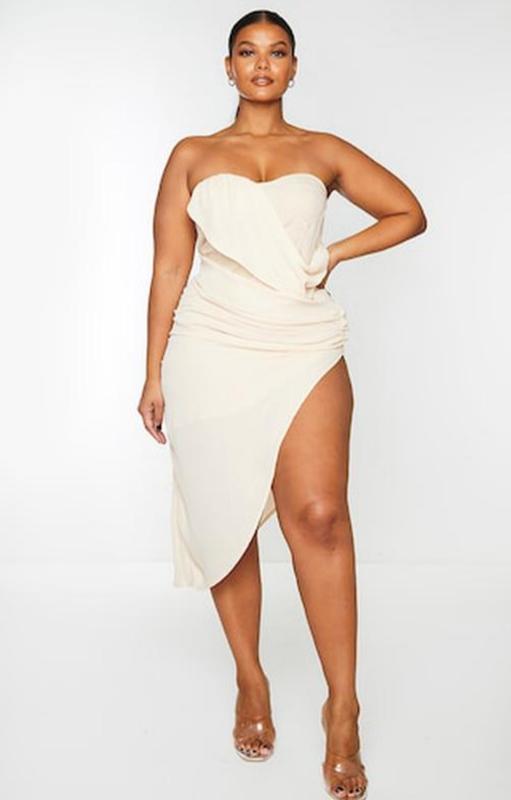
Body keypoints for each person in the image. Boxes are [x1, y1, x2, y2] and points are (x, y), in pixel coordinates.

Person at [137, 9, 427, 799]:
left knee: (320, 516)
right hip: (210, 345)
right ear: (227, 66)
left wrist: (330, 254)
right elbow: (169, 269)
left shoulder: (322, 150)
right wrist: (152, 373)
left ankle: (343, 707)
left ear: (294, 68)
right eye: (247, 51)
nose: (261, 64)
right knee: (224, 520)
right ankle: (251, 681)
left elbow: (407, 212)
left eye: (276, 52)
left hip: (303, 340)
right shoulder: (192, 155)